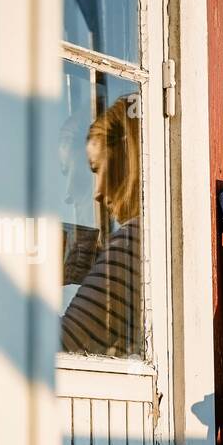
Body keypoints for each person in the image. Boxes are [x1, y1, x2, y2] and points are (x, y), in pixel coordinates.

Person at [61, 94, 141, 356]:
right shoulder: (146, 241)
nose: (97, 192)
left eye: (95, 169)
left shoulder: (132, 241)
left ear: (126, 160)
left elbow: (62, 345)